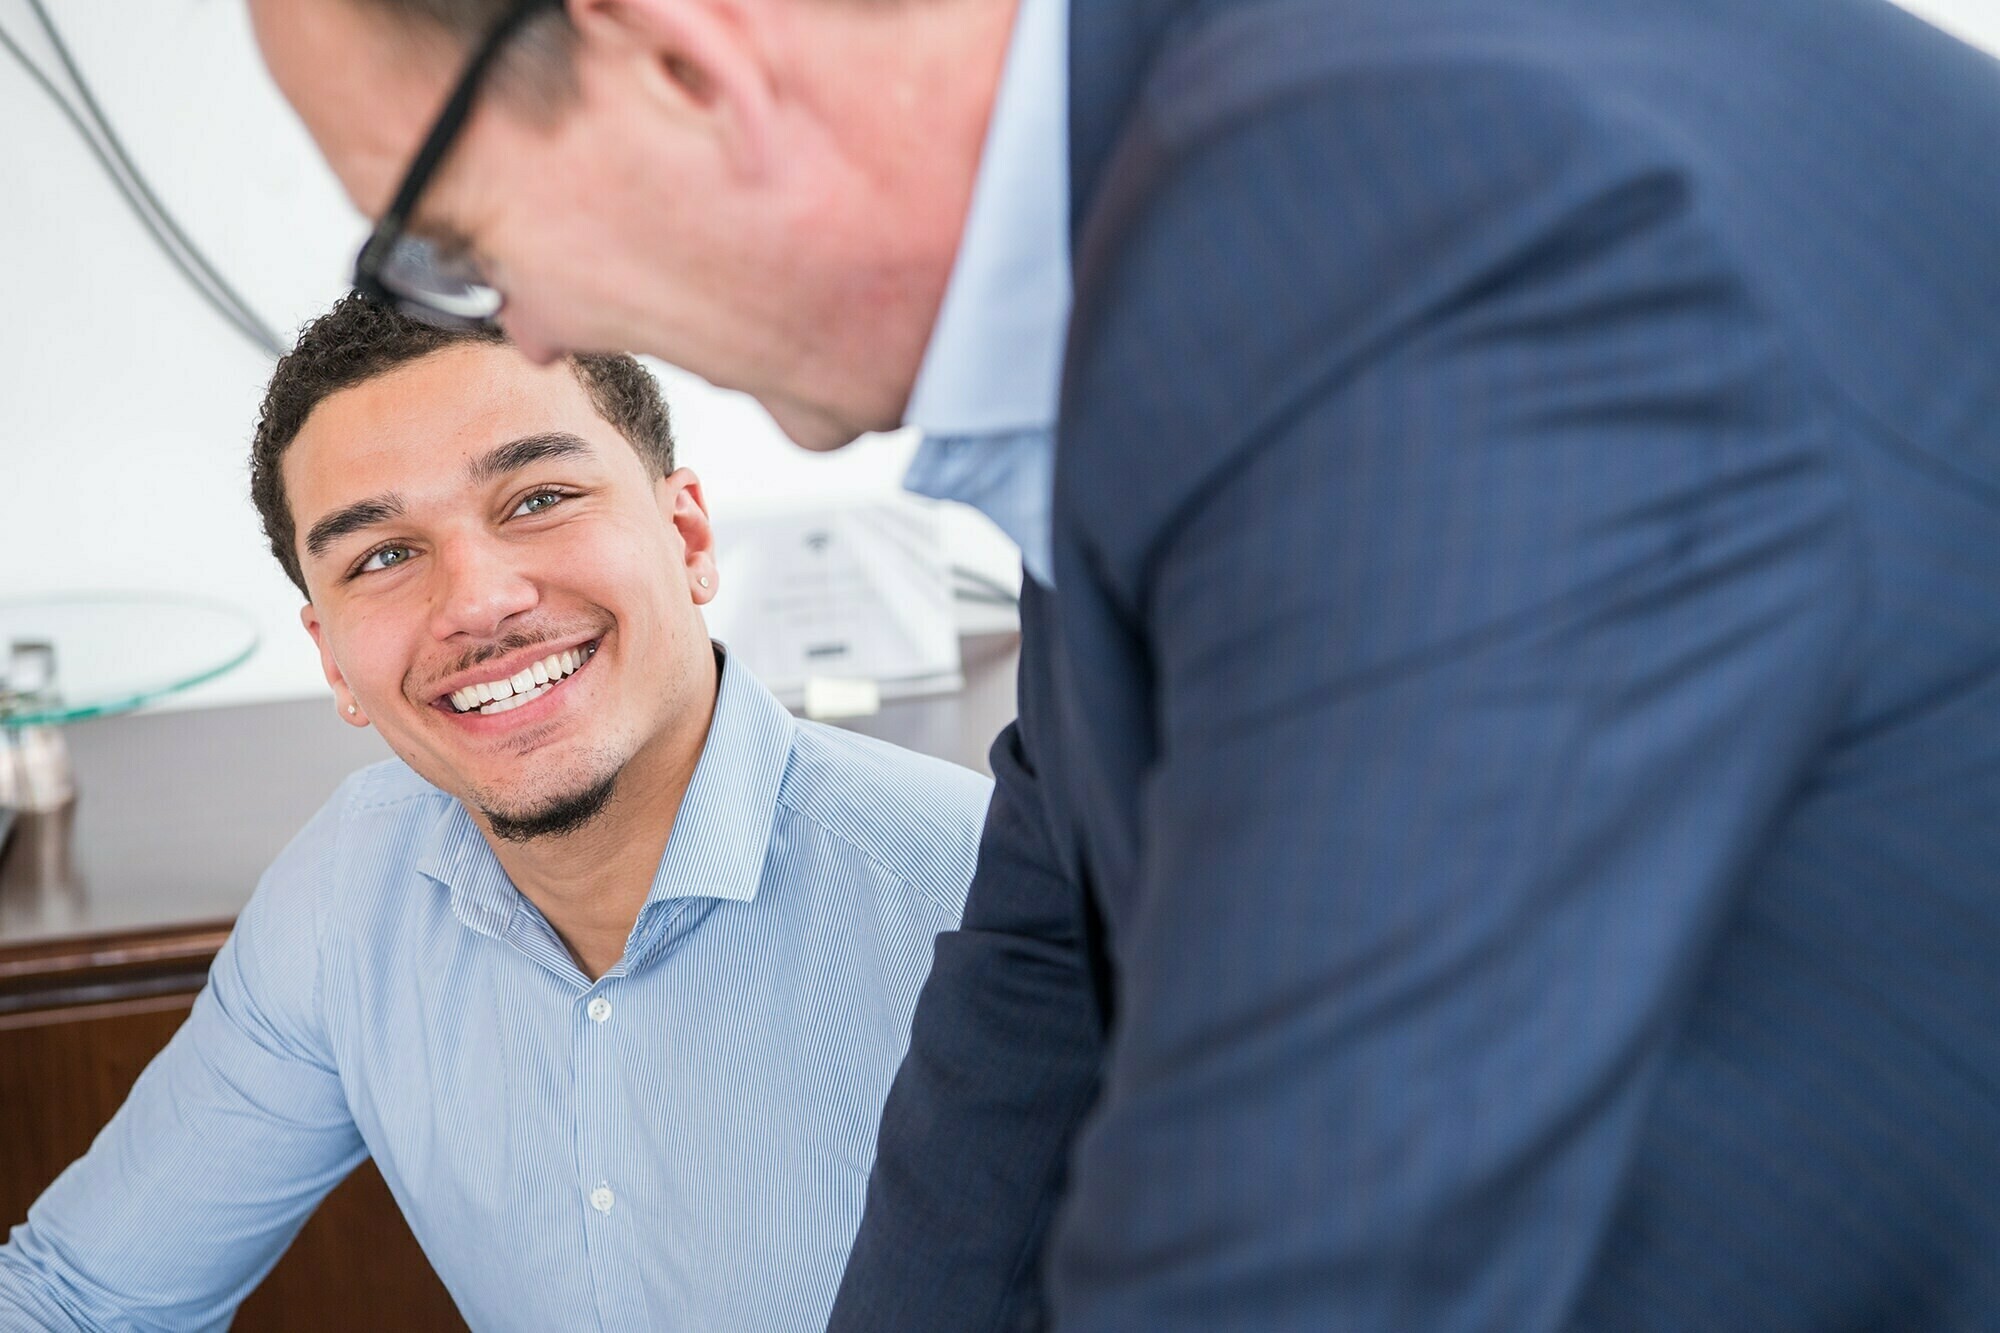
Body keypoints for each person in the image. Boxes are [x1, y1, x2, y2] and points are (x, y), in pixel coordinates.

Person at [248, 0, 2000, 1328]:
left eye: (460, 248)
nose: (539, 335)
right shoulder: (1177, 222)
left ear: (679, 56)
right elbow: (1044, 949)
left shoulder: (1403, 220)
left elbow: (1310, 1243)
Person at [0, 294, 991, 1332]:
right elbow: (77, 1296)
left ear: (687, 534)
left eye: (537, 498)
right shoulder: (349, 886)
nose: (474, 600)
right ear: (333, 659)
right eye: (383, 555)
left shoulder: (974, 888)